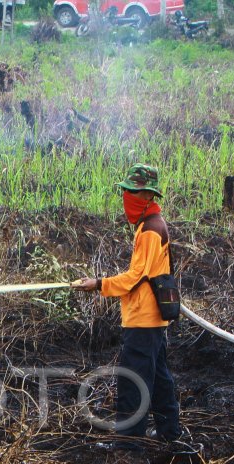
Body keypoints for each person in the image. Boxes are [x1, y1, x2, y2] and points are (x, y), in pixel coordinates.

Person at [74, 163, 182, 445]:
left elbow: (136, 278)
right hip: (152, 319)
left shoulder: (149, 230)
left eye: (133, 193)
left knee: (132, 381)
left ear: (148, 196)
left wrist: (98, 284)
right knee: (158, 378)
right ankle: (169, 432)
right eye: (126, 192)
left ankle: (128, 441)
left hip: (143, 319)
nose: (127, 199)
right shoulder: (151, 225)